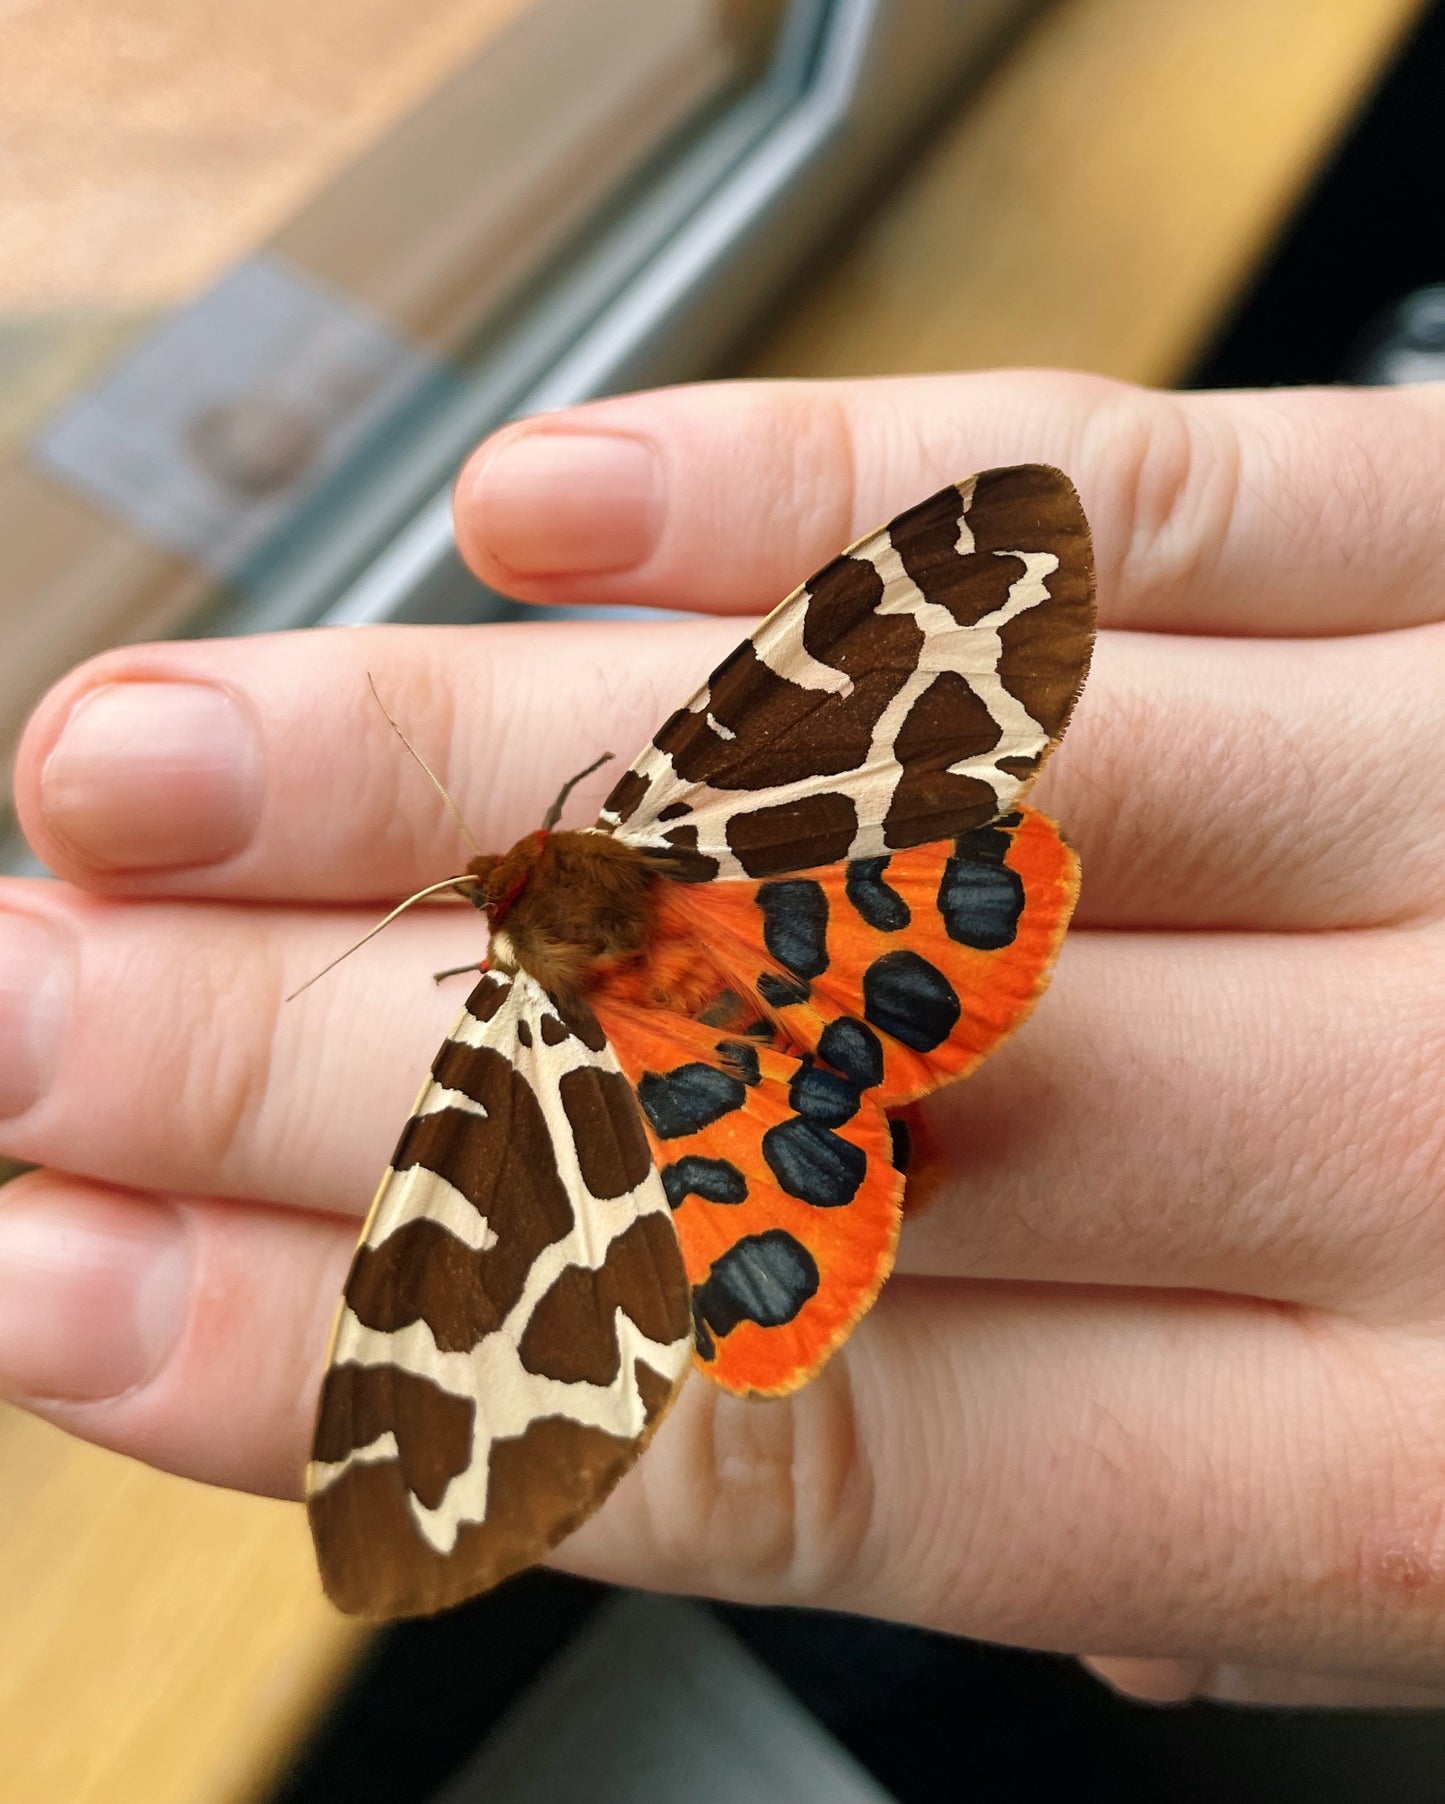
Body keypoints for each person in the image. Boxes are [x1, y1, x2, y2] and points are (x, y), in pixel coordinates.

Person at [2, 370, 1444, 1708]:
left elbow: (993, 559)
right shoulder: (674, 799)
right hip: (851, 944)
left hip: (718, 1138)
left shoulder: (503, 1047)